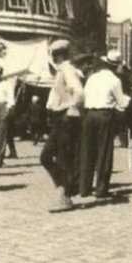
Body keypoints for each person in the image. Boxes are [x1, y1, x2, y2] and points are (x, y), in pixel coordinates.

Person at [42, 39, 85, 212]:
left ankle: (65, 195)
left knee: (62, 158)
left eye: (54, 54)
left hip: (66, 118)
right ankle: (64, 190)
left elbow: (80, 93)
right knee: (49, 157)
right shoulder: (63, 71)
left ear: (57, 55)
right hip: (61, 117)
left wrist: (69, 107)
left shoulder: (67, 70)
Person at [80, 50, 129, 198]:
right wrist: (127, 99)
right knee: (104, 152)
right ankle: (101, 189)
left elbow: (84, 96)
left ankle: (84, 188)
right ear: (116, 66)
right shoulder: (115, 81)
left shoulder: (92, 78)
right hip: (105, 115)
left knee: (87, 151)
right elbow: (121, 103)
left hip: (89, 114)